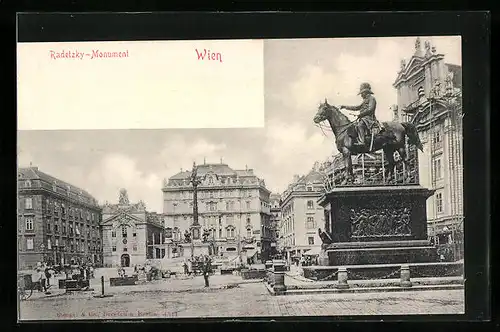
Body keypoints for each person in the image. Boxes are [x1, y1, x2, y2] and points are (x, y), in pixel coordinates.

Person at [340, 82, 380, 148]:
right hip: (364, 118)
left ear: (366, 92)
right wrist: (344, 106)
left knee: (360, 125)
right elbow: (357, 107)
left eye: (362, 93)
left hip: (369, 118)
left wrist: (361, 114)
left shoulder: (372, 99)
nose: (361, 95)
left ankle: (362, 142)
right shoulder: (365, 100)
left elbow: (370, 109)